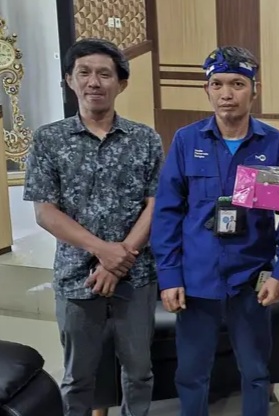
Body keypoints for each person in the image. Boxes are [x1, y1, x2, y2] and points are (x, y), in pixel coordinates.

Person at [149, 46, 279, 416]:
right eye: (217, 84)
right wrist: (169, 276)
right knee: (191, 374)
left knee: (256, 372)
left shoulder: (275, 144)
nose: (226, 93)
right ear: (206, 89)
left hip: (252, 279)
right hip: (197, 280)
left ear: (255, 90)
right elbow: (167, 213)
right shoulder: (187, 141)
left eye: (237, 84)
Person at [23, 38, 162, 416]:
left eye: (105, 74)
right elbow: (45, 212)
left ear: (122, 83)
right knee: (78, 375)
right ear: (70, 79)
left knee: (139, 371)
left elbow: (155, 205)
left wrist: (120, 259)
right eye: (84, 73)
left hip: (136, 275)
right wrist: (103, 251)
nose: (94, 82)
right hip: (75, 277)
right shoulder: (49, 139)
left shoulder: (145, 139)